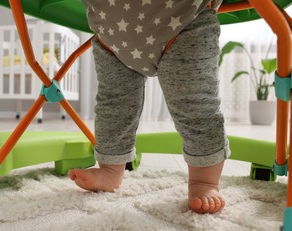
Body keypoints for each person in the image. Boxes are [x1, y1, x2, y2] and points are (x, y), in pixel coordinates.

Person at [69, 0, 230, 214]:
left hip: (184, 17)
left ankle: (205, 181)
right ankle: (110, 170)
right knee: (113, 106)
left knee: (194, 103)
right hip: (111, 30)